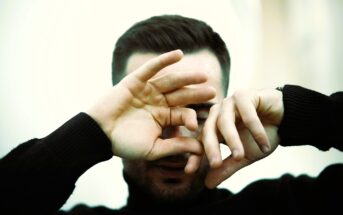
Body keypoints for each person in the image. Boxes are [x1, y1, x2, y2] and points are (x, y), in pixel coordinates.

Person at [0, 15, 342, 215]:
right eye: (152, 115)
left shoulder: (287, 209)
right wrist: (90, 134)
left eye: (200, 112)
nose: (177, 140)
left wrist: (301, 114)